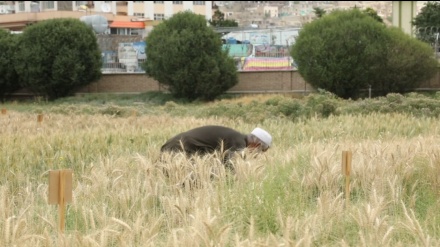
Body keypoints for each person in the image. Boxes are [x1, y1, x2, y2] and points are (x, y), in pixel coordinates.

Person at [160, 125, 272, 166]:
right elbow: (229, 167)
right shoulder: (239, 143)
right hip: (178, 149)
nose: (259, 154)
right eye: (262, 150)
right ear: (256, 144)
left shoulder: (236, 137)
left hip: (173, 145)